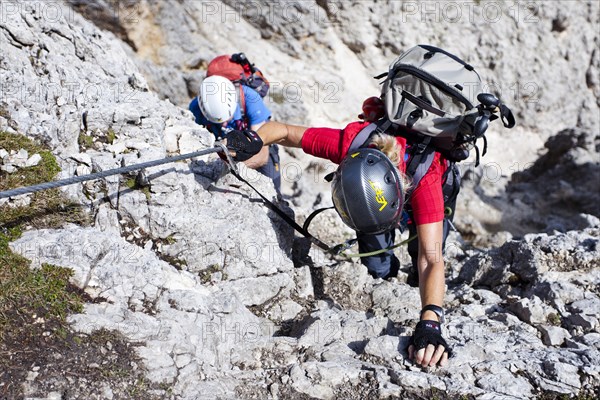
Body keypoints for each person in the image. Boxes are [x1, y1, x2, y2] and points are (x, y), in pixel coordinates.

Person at [226, 115, 452, 368]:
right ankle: (384, 279)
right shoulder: (349, 143)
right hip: (372, 204)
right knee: (377, 264)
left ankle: (415, 286)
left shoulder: (428, 180)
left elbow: (431, 259)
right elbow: (285, 130)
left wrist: (430, 322)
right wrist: (253, 139)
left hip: (429, 193)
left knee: (419, 250)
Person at [189, 75, 281, 192]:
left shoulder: (251, 99)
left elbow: (262, 155)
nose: (224, 124)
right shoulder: (196, 108)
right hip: (224, 151)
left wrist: (227, 169)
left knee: (273, 187)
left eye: (228, 118)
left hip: (257, 148)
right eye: (220, 122)